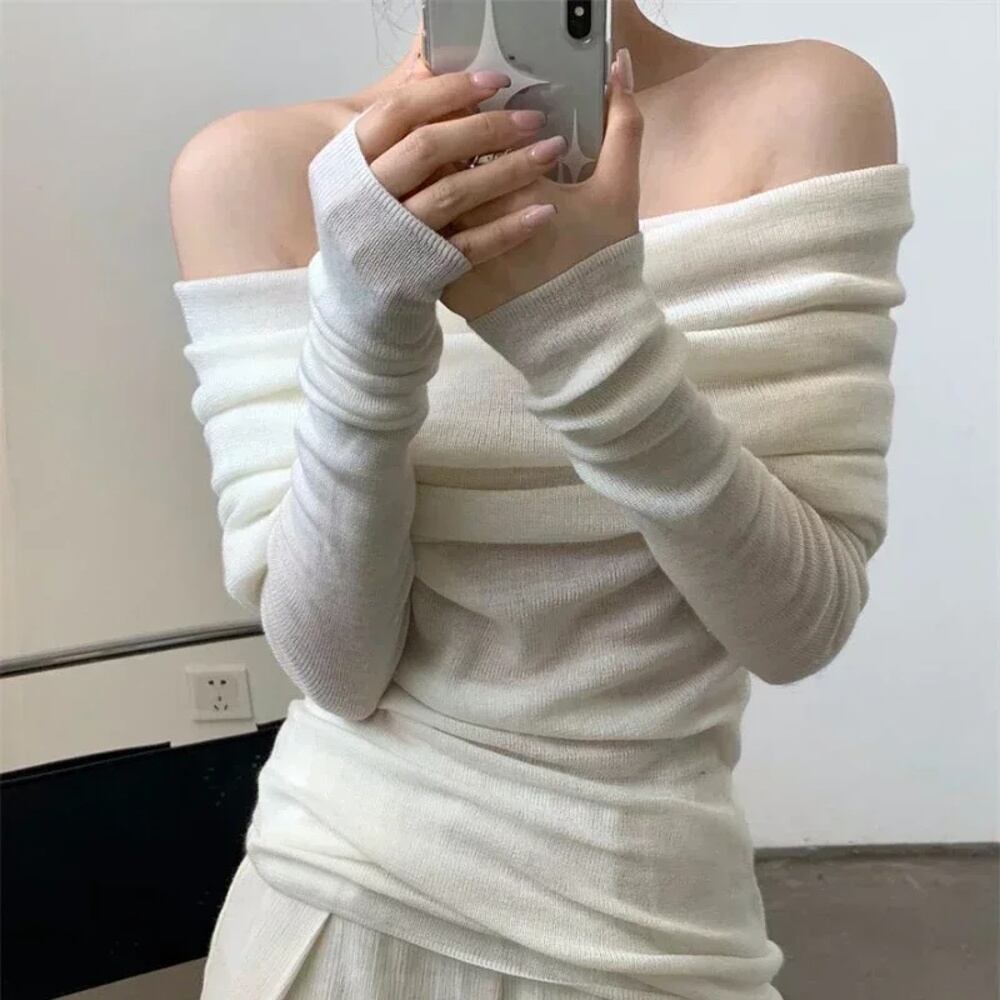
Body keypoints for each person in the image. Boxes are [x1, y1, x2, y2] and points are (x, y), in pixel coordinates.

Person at [169, 2, 913, 997]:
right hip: (341, 915)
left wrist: (581, 325)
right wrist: (363, 322)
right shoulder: (259, 172)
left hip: (655, 928)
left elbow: (795, 628)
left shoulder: (805, 107)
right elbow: (336, 669)